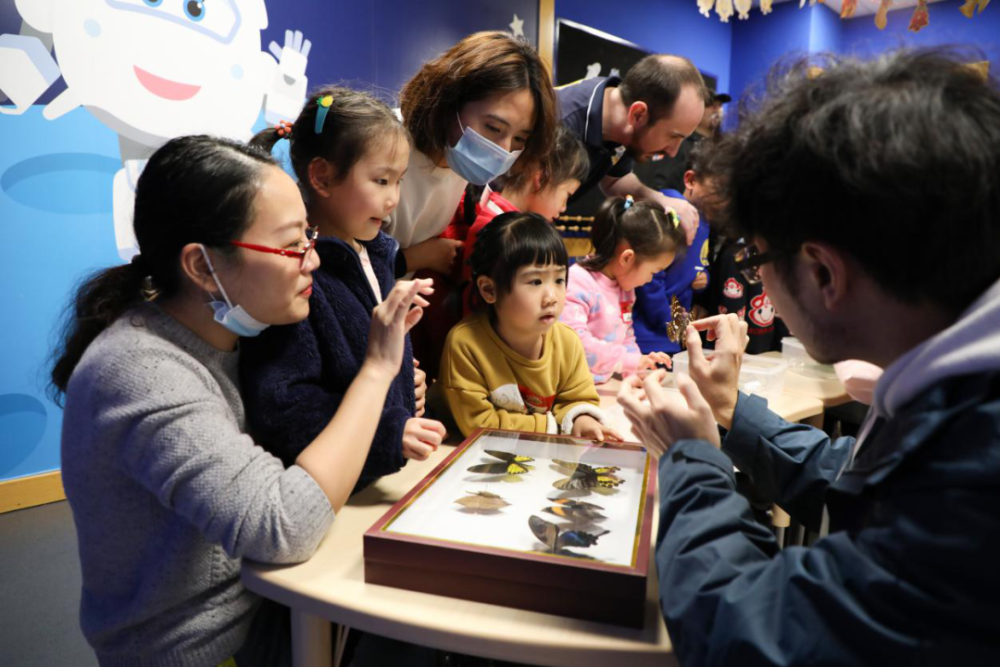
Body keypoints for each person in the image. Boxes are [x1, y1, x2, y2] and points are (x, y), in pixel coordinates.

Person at [618, 48, 1000, 665]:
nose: (759, 279)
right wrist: (729, 412)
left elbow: (751, 634)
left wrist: (691, 460)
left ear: (822, 270)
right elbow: (863, 481)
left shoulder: (979, 472)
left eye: (760, 256)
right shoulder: (965, 401)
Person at [51, 135, 433, 666]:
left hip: (270, 603)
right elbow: (283, 526)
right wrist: (376, 371)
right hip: (205, 646)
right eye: (291, 245)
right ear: (203, 267)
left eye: (311, 237)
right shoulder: (138, 372)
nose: (313, 261)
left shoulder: (235, 333)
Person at [240, 87, 447, 492]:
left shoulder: (378, 252)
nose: (393, 200)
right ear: (321, 176)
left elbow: (367, 358)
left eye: (399, 181)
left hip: (370, 482)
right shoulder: (298, 278)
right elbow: (286, 406)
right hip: (317, 492)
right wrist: (388, 431)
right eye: (381, 180)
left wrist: (405, 381)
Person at [387, 31, 559, 276]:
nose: (503, 149)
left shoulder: (458, 160)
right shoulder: (384, 145)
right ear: (450, 100)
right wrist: (420, 257)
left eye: (519, 138)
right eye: (493, 128)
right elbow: (339, 264)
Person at [439, 212, 619, 440]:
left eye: (559, 280)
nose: (552, 297)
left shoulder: (567, 342)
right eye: (535, 282)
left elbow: (576, 399)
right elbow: (479, 426)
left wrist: (581, 421)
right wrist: (549, 425)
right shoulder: (465, 344)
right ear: (489, 290)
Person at [557, 54, 707, 244]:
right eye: (673, 136)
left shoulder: (622, 129)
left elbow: (615, 181)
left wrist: (659, 199)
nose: (673, 152)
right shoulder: (560, 124)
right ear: (638, 115)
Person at [458, 124, 590, 314]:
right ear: (542, 178)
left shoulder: (499, 216)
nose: (564, 207)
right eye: (567, 194)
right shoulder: (499, 232)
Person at [560, 196, 680, 384]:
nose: (650, 279)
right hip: (570, 387)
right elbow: (575, 343)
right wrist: (632, 361)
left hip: (602, 385)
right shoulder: (578, 282)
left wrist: (638, 372)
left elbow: (626, 338)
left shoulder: (624, 288)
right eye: (653, 272)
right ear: (627, 258)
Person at [633, 141, 718, 356]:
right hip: (648, 336)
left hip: (673, 334)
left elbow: (698, 263)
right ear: (690, 180)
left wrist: (703, 279)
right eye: (719, 189)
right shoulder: (669, 212)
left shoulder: (706, 221)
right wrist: (670, 323)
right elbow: (649, 279)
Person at [632, 86, 730, 193]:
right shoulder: (680, 142)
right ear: (697, 109)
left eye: (720, 106)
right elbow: (660, 181)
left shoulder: (721, 149)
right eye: (712, 105)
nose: (718, 110)